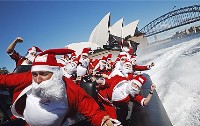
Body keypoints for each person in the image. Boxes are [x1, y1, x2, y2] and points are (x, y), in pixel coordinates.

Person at [0, 48, 116, 126]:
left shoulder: (70, 89)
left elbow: (92, 112)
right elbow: (4, 80)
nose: (38, 79)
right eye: (35, 74)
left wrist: (103, 120)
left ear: (55, 74)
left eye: (44, 74)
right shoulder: (28, 78)